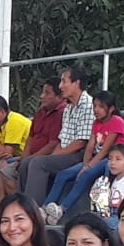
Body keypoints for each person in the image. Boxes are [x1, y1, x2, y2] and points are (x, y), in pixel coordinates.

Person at [43, 91, 124, 224]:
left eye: (101, 106)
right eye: (94, 106)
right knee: (63, 174)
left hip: (112, 159)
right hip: (97, 158)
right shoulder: (96, 123)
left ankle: (62, 209)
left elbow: (105, 150)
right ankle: (44, 209)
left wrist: (87, 167)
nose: (96, 110)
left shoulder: (116, 121)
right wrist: (85, 164)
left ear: (111, 108)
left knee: (85, 175)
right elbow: (90, 146)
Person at [25, 66, 94, 204]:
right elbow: (62, 138)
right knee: (26, 163)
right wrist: (53, 155)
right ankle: (23, 204)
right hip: (66, 151)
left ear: (76, 83)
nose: (60, 86)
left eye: (64, 81)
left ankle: (33, 208)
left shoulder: (88, 105)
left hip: (79, 154)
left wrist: (55, 155)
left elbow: (81, 142)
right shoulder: (68, 107)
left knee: (38, 163)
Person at [16, 78, 66, 192]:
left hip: (44, 156)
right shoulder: (40, 112)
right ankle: (13, 201)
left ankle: (27, 201)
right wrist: (24, 157)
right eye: (43, 92)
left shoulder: (61, 113)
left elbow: (53, 144)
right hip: (30, 155)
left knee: (28, 164)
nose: (42, 96)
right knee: (5, 168)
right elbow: (31, 137)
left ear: (59, 97)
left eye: (47, 93)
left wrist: (30, 158)